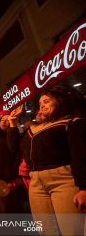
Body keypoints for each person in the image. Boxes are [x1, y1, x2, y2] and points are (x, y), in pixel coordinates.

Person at [27, 86, 86, 235]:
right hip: (36, 184)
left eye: (46, 101)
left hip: (64, 181)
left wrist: (84, 187)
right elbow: (18, 149)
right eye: (40, 104)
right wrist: (11, 128)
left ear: (59, 102)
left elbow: (81, 155)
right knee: (46, 231)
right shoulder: (36, 129)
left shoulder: (72, 121)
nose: (42, 106)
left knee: (71, 231)